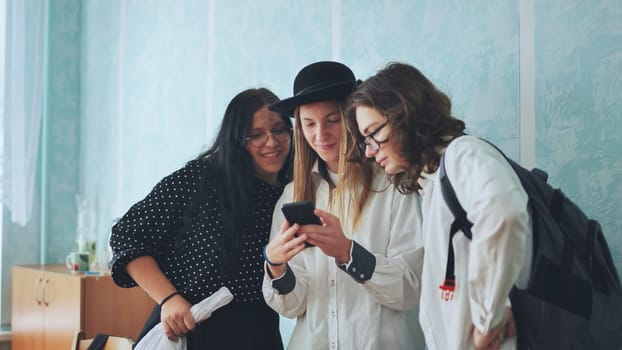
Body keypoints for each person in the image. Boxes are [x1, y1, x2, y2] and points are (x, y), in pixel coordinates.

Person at [345, 62, 533, 350]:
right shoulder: (433, 183)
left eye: (374, 134)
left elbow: (504, 213)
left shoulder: (462, 155)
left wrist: (487, 321)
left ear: (405, 113)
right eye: (365, 141)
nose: (370, 151)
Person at [109, 88, 293, 349]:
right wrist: (169, 299)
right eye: (256, 134)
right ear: (237, 139)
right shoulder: (201, 179)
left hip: (258, 334)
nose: (272, 142)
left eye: (279, 130)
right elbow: (127, 236)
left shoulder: (295, 193)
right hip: (189, 330)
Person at [262, 61, 425, 350]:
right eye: (309, 124)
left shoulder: (393, 184)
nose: (320, 135)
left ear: (353, 118)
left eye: (332, 120)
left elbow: (409, 288)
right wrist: (276, 267)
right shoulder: (291, 197)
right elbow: (292, 307)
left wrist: (350, 254)